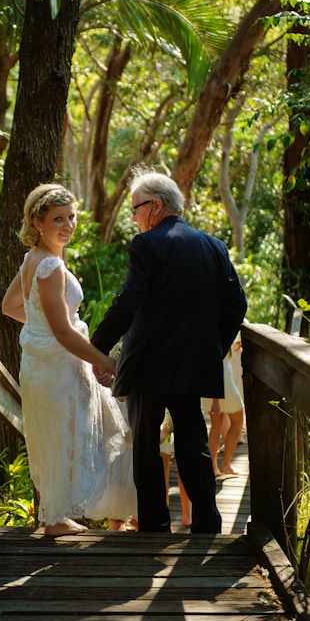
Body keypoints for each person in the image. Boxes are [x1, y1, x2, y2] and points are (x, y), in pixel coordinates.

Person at [91, 170, 247, 534]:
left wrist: (94, 348)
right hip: (193, 365)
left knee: (146, 446)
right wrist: (211, 348)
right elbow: (236, 305)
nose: (133, 217)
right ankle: (207, 524)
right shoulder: (214, 246)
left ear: (155, 206)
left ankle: (154, 527)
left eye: (135, 209)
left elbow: (128, 303)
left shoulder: (147, 245)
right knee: (194, 444)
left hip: (148, 365)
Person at [2, 183, 137, 537]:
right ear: (37, 221)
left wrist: (42, 329)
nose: (68, 225)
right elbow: (63, 332)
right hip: (58, 366)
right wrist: (104, 362)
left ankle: (55, 517)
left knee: (57, 435)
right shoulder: (49, 265)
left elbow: (12, 306)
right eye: (58, 219)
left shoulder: (35, 259)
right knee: (88, 433)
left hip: (42, 364)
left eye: (72, 217)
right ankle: (60, 518)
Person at [202, 335, 245, 476]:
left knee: (216, 425)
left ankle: (213, 467)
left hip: (210, 382)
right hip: (222, 383)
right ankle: (225, 464)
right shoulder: (218, 328)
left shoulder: (207, 328)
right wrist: (216, 401)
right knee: (238, 420)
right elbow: (216, 363)